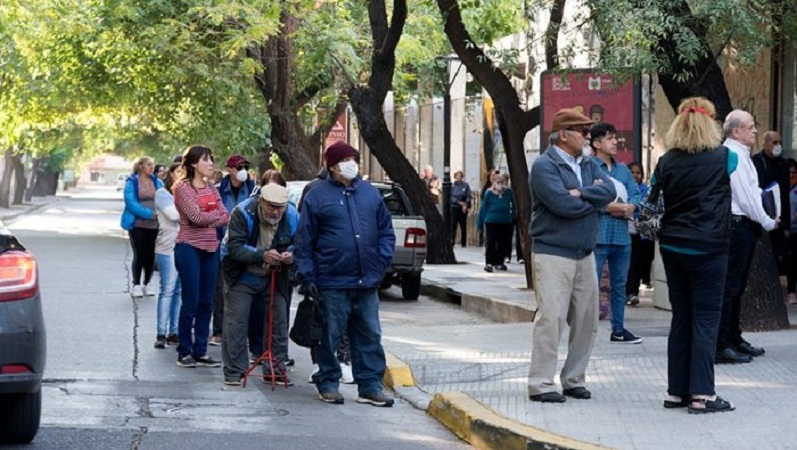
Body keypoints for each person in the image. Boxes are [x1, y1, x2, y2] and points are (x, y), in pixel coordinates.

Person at [295, 141, 396, 407]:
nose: (352, 163)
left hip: (367, 280)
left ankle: (370, 386)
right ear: (332, 165)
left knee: (370, 335)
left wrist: (382, 260)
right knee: (330, 334)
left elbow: (386, 230)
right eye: (346, 159)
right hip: (332, 280)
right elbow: (305, 240)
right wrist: (307, 275)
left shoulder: (370, 194)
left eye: (354, 158)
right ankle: (328, 382)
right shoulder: (317, 195)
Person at [527, 108, 615, 403]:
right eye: (583, 131)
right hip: (553, 254)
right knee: (551, 318)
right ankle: (541, 383)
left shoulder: (589, 164)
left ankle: (574, 379)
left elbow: (610, 192)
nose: (588, 137)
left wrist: (580, 193)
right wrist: (591, 199)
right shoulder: (544, 165)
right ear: (563, 135)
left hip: (584, 254)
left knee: (587, 321)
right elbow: (562, 205)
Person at [654, 97, 736, 414]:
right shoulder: (725, 158)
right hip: (710, 248)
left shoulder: (666, 162)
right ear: (711, 124)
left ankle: (677, 392)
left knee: (681, 319)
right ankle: (702, 394)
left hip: (673, 247)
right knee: (705, 320)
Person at [220, 183, 298, 386]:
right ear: (260, 202)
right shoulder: (242, 212)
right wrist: (261, 255)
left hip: (275, 276)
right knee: (236, 323)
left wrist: (292, 255)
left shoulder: (291, 214)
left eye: (279, 207)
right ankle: (234, 372)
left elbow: (301, 243)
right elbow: (234, 247)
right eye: (271, 206)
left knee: (278, 322)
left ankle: (275, 369)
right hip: (242, 275)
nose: (275, 211)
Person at [715, 110, 777, 365]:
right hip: (738, 225)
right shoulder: (733, 156)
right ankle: (723, 343)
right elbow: (746, 197)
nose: (755, 131)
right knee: (730, 286)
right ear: (736, 131)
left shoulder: (742, 154)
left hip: (745, 226)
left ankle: (734, 336)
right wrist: (767, 220)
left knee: (738, 286)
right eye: (750, 127)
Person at [173, 145, 230, 368]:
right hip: (189, 247)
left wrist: (209, 216)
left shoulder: (212, 189)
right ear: (194, 163)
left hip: (211, 248)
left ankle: (201, 350)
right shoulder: (182, 188)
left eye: (212, 159)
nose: (211, 164)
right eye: (206, 160)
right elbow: (195, 217)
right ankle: (184, 351)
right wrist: (211, 216)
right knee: (191, 300)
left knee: (207, 301)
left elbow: (225, 215)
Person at [590, 123, 643, 344]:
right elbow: (589, 196)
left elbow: (636, 194)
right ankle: (585, 331)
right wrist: (615, 208)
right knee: (590, 285)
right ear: (597, 143)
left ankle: (618, 330)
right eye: (610, 138)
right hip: (598, 236)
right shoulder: (589, 167)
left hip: (622, 237)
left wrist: (630, 207)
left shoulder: (622, 169)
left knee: (619, 286)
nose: (615, 142)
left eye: (615, 138)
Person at [210, 155, 256, 346]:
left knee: (247, 289)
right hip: (223, 246)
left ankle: (245, 332)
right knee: (221, 290)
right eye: (239, 167)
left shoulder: (253, 190)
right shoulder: (219, 191)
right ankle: (219, 331)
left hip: (248, 247)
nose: (243, 170)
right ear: (230, 170)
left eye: (245, 166)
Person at [121, 156, 164, 298]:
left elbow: (164, 200)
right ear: (141, 166)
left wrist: (160, 214)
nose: (152, 167)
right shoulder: (132, 183)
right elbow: (131, 203)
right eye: (148, 165)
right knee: (139, 253)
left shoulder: (158, 182)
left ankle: (148, 282)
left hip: (154, 226)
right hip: (137, 224)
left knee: (151, 254)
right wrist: (150, 214)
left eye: (152, 165)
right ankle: (136, 284)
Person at [752, 130, 791, 276]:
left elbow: (785, 194)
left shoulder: (783, 163)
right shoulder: (757, 162)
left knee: (784, 255)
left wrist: (785, 223)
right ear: (765, 143)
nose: (778, 146)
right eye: (774, 142)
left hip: (780, 219)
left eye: (780, 142)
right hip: (763, 217)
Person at [153, 163, 182, 349]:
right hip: (167, 246)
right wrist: (195, 211)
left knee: (179, 291)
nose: (182, 174)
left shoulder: (186, 193)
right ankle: (161, 333)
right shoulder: (163, 194)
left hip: (184, 246)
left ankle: (174, 331)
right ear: (171, 174)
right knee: (168, 289)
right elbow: (173, 215)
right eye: (179, 171)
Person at [626, 162, 655, 306]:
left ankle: (633, 292)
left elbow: (646, 208)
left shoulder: (645, 190)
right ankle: (626, 292)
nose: (635, 175)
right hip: (626, 231)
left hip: (640, 234)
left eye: (638, 173)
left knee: (637, 263)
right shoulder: (624, 188)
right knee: (627, 263)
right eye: (632, 172)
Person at [477, 173, 514, 272]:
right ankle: (489, 262)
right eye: (498, 182)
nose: (500, 184)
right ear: (494, 182)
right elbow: (483, 208)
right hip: (491, 221)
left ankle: (499, 262)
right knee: (491, 241)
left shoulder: (509, 192)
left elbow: (513, 205)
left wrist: (513, 216)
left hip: (505, 221)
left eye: (502, 182)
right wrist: (480, 223)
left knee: (503, 242)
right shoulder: (489, 193)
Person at [450, 170, 472, 247]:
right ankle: (452, 241)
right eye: (457, 175)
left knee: (463, 224)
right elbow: (451, 197)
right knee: (453, 224)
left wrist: (466, 203)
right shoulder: (453, 186)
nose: (458, 177)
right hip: (455, 207)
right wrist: (458, 202)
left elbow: (468, 195)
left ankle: (463, 242)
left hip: (463, 207)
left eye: (460, 175)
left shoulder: (465, 185)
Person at [787, 159, 797, 305]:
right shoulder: (782, 188)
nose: (792, 175)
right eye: (789, 173)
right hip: (783, 230)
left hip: (795, 231)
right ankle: (791, 292)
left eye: (794, 173)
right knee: (789, 262)